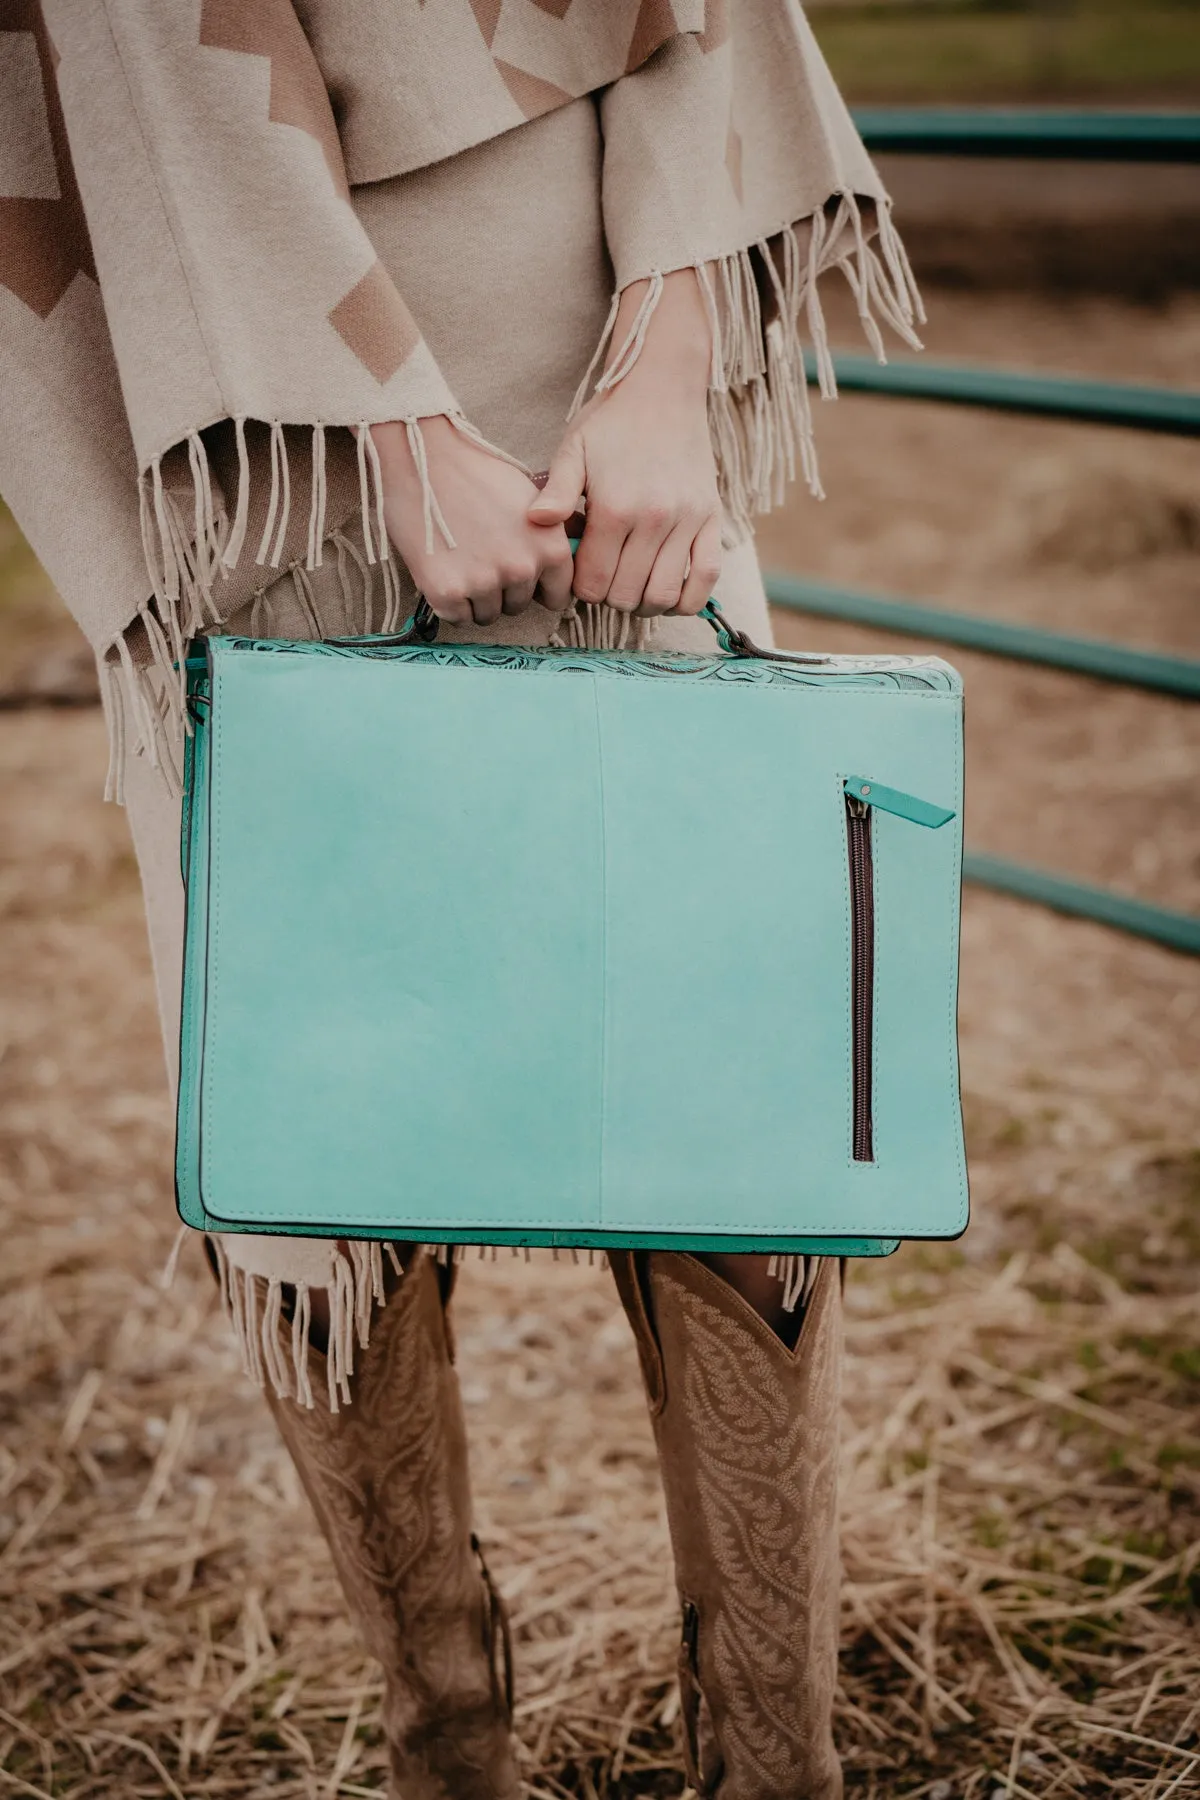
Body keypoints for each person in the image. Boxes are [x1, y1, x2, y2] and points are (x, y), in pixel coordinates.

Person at [0, 3, 924, 1794]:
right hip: (259, 401)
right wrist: (384, 424)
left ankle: (776, 1766)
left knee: (724, 1101)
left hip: (596, 340)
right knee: (322, 1141)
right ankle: (452, 1749)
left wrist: (665, 355)